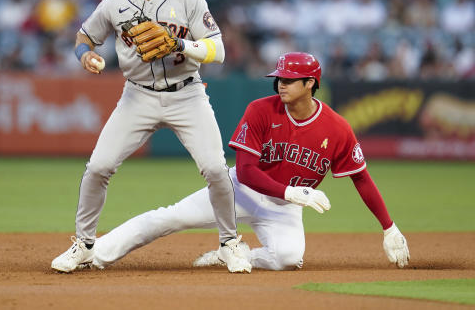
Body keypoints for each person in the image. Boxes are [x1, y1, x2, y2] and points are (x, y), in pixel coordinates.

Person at [88, 52, 410, 271]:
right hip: (238, 190)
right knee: (170, 218)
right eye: (279, 78)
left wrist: (389, 227)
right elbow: (244, 170)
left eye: (289, 79)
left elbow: (361, 178)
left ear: (311, 83)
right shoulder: (260, 110)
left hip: (283, 209)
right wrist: (292, 193)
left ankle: (233, 253)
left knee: (288, 258)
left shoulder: (337, 129)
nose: (280, 83)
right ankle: (95, 253)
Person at [51, 0, 251, 273]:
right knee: (99, 167)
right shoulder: (114, 4)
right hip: (138, 95)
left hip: (187, 93)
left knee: (217, 169)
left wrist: (181, 46)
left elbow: (217, 49)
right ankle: (83, 245)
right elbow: (84, 37)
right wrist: (85, 56)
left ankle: (230, 243)